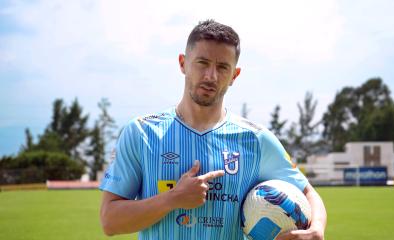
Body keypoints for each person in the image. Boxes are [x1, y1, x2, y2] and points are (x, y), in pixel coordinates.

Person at [99, 19, 327, 240]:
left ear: (234, 76)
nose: (211, 76)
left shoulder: (257, 140)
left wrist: (316, 229)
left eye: (222, 67)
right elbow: (109, 221)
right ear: (182, 63)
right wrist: (173, 198)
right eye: (202, 63)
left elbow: (307, 192)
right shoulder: (141, 133)